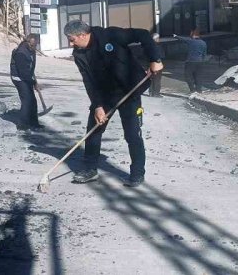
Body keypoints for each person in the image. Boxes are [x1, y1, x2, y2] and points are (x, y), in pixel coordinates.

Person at [63, 20, 163, 187]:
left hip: (129, 91)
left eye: (72, 39)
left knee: (132, 134)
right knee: (94, 131)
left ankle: (137, 173)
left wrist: (155, 58)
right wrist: (97, 106)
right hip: (104, 95)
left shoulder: (111, 35)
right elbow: (88, 81)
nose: (70, 43)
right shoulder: (79, 54)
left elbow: (143, 35)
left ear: (82, 35)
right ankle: (90, 169)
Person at [10, 34, 41, 130]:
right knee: (27, 100)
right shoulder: (21, 52)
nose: (33, 47)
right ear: (27, 42)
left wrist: (35, 82)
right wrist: (32, 83)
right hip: (19, 78)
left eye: (35, 45)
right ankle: (22, 125)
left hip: (27, 76)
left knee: (33, 100)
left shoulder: (31, 50)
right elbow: (23, 72)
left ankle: (34, 122)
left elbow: (30, 68)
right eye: (32, 45)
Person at [174, 28, 208, 93]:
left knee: (188, 76)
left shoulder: (191, 41)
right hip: (200, 62)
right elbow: (204, 54)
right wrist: (202, 60)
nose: (190, 34)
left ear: (193, 35)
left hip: (190, 61)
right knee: (198, 76)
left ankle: (192, 90)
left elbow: (182, 39)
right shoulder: (203, 43)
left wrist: (175, 36)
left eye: (191, 33)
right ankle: (199, 90)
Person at [147, 33, 163, 97]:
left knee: (151, 79)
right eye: (158, 38)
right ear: (156, 39)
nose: (159, 39)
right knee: (157, 79)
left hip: (150, 64)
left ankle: (151, 92)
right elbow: (161, 56)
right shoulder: (158, 47)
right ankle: (156, 93)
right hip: (157, 65)